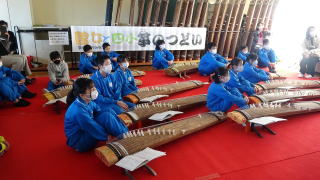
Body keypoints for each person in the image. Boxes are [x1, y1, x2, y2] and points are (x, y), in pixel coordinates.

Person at [64, 78, 128, 152]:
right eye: (91, 89)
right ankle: (125, 136)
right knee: (106, 117)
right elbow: (92, 127)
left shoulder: (87, 100)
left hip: (85, 131)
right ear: (82, 95)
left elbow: (99, 110)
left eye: (93, 87)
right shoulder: (78, 111)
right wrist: (108, 137)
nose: (94, 90)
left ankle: (124, 132)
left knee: (108, 110)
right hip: (79, 141)